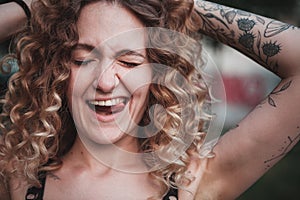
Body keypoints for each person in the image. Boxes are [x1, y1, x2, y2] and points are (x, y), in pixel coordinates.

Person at [0, 0, 299, 199]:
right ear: (59, 69)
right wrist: (41, 5)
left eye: (129, 63)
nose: (105, 82)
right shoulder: (20, 178)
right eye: (83, 59)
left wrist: (180, 5)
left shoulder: (190, 183)